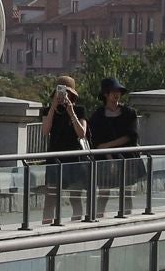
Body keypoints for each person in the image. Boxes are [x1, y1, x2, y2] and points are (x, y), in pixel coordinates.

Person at [85, 76, 140, 211]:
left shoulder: (129, 113)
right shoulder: (98, 115)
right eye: (113, 91)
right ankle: (98, 219)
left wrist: (107, 146)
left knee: (127, 194)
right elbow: (96, 142)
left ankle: (128, 220)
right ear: (106, 94)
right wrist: (110, 158)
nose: (116, 94)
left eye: (118, 91)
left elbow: (131, 136)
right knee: (103, 193)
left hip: (127, 157)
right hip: (104, 158)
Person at [41, 74, 89, 223]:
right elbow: (44, 131)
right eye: (61, 92)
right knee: (50, 198)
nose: (63, 96)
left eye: (66, 93)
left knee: (75, 198)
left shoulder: (79, 110)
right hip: (55, 157)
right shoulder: (49, 110)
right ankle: (46, 227)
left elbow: (81, 133)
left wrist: (71, 111)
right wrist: (53, 108)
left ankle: (75, 226)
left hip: (74, 158)